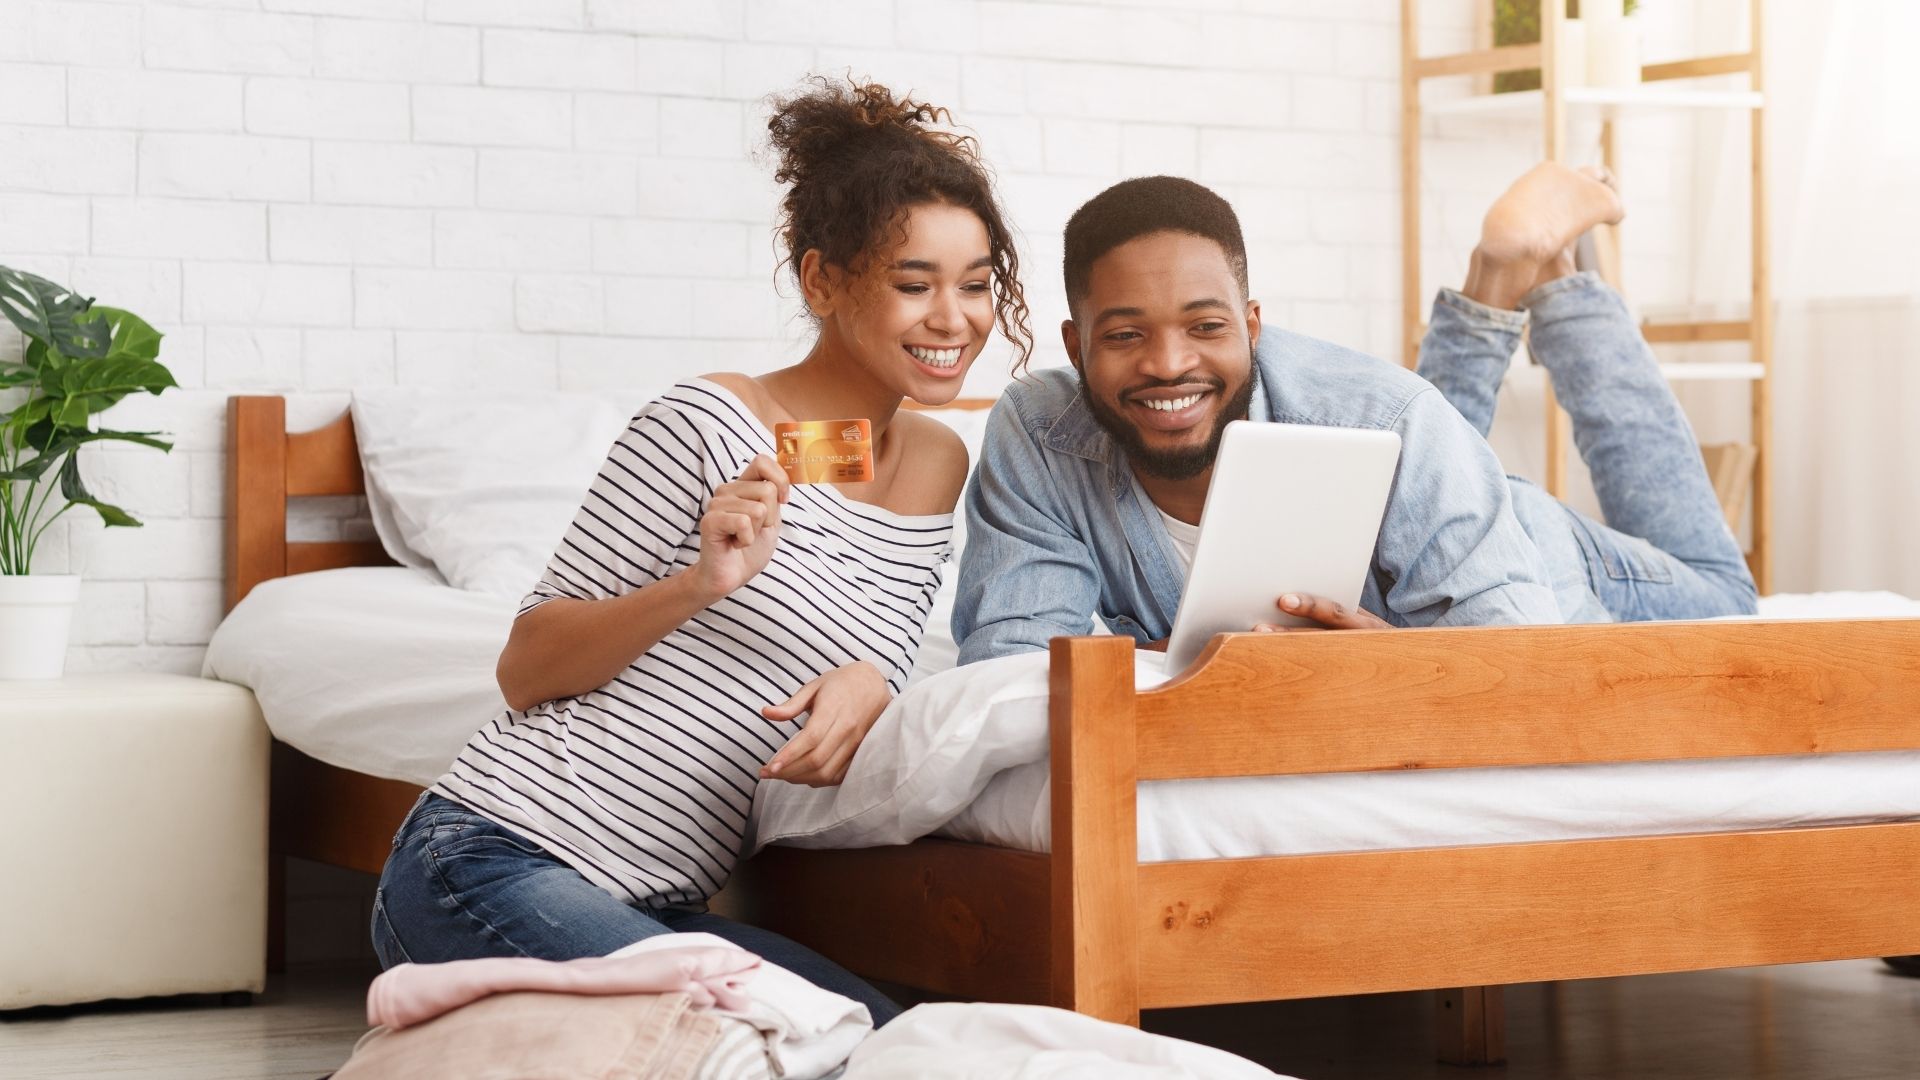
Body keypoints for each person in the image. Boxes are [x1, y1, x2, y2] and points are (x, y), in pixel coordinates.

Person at [371, 77, 1032, 1025]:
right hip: (489, 856)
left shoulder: (934, 464)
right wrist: (699, 584)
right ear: (822, 281)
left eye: (975, 285)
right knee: (793, 1030)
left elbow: (868, 656)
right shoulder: (708, 419)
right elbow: (527, 667)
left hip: (658, 904)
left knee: (879, 1037)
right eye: (913, 283)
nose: (953, 317)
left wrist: (877, 687)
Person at [953, 163, 1756, 663]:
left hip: (1537, 553)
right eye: (1126, 335)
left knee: (1729, 602)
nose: (1167, 364)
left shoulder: (1389, 416)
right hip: (1429, 495)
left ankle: (1563, 286)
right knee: (1403, 437)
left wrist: (1389, 667)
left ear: (1252, 326)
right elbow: (1010, 670)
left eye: (1205, 327)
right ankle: (1495, 279)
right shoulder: (1039, 431)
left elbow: (1520, 664)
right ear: (1076, 341)